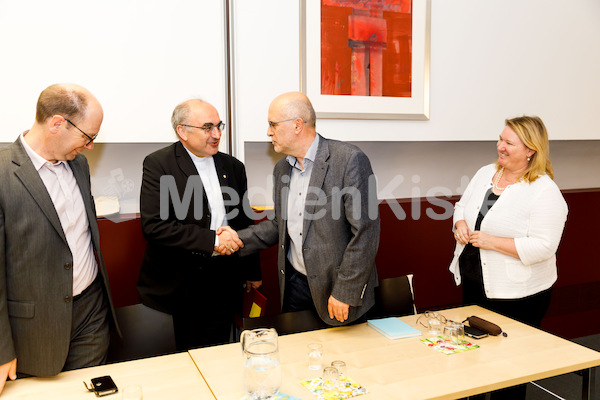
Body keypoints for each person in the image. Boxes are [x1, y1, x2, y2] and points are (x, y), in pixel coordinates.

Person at [219, 91, 380, 326]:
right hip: (295, 286)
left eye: (273, 124)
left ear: (297, 125)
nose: (268, 132)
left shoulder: (349, 160)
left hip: (338, 290)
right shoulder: (282, 169)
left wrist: (345, 291)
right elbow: (279, 225)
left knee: (342, 360)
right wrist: (235, 239)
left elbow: (365, 233)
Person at [0, 84, 119, 395]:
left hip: (90, 312)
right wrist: (1, 349)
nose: (91, 146)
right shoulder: (2, 174)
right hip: (33, 327)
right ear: (56, 124)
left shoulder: (77, 163)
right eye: (88, 136)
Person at [449, 115, 568, 400]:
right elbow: (462, 206)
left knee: (508, 370)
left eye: (509, 143)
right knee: (474, 360)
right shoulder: (486, 173)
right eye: (500, 139)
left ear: (531, 150)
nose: (500, 146)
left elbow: (544, 246)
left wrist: (492, 242)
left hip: (519, 294)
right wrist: (459, 225)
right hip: (477, 282)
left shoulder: (544, 191)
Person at [137, 99, 261, 351]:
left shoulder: (233, 167)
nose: (217, 135)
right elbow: (154, 226)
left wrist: (252, 271)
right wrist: (213, 240)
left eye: (218, 126)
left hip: (224, 279)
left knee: (217, 352)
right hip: (178, 282)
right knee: (180, 359)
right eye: (207, 128)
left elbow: (244, 221)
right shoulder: (159, 164)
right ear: (182, 130)